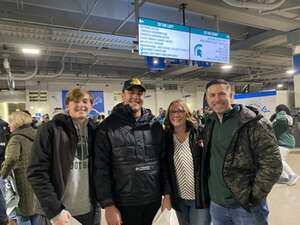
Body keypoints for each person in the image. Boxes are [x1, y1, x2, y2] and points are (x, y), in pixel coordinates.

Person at [204, 79, 282, 225]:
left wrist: (253, 197)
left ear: (231, 95)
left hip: (245, 207)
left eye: (221, 94)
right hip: (217, 206)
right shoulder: (210, 123)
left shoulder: (254, 123)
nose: (217, 99)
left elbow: (273, 164)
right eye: (212, 95)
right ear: (207, 98)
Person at [94, 78, 171, 225]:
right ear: (122, 95)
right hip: (123, 204)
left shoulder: (154, 126)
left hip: (153, 202)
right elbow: (100, 169)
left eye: (139, 93)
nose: (135, 96)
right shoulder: (107, 127)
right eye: (131, 92)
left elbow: (163, 162)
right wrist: (108, 205)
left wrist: (167, 193)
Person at [27, 87, 100, 225]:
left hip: (89, 209)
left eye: (85, 101)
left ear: (91, 106)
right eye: (75, 101)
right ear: (67, 105)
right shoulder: (50, 129)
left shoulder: (95, 131)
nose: (81, 105)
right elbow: (36, 172)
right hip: (59, 212)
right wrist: (55, 210)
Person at [164, 99, 210, 225]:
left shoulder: (200, 133)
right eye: (172, 111)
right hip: (179, 199)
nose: (176, 114)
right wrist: (167, 195)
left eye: (180, 111)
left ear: (187, 114)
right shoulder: (167, 138)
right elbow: (166, 170)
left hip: (199, 199)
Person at [0, 111, 43, 225]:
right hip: (38, 178)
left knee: (23, 212)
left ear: (16, 123)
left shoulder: (16, 138)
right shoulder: (38, 134)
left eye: (10, 122)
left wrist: (2, 174)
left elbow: (12, 158)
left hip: (22, 179)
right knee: (36, 210)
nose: (8, 125)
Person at [272, 104, 299, 185]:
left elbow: (280, 119)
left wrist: (281, 112)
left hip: (284, 143)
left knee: (279, 160)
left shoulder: (285, 117)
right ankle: (285, 176)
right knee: (277, 160)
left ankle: (292, 175)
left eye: (277, 110)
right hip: (281, 142)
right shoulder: (284, 117)